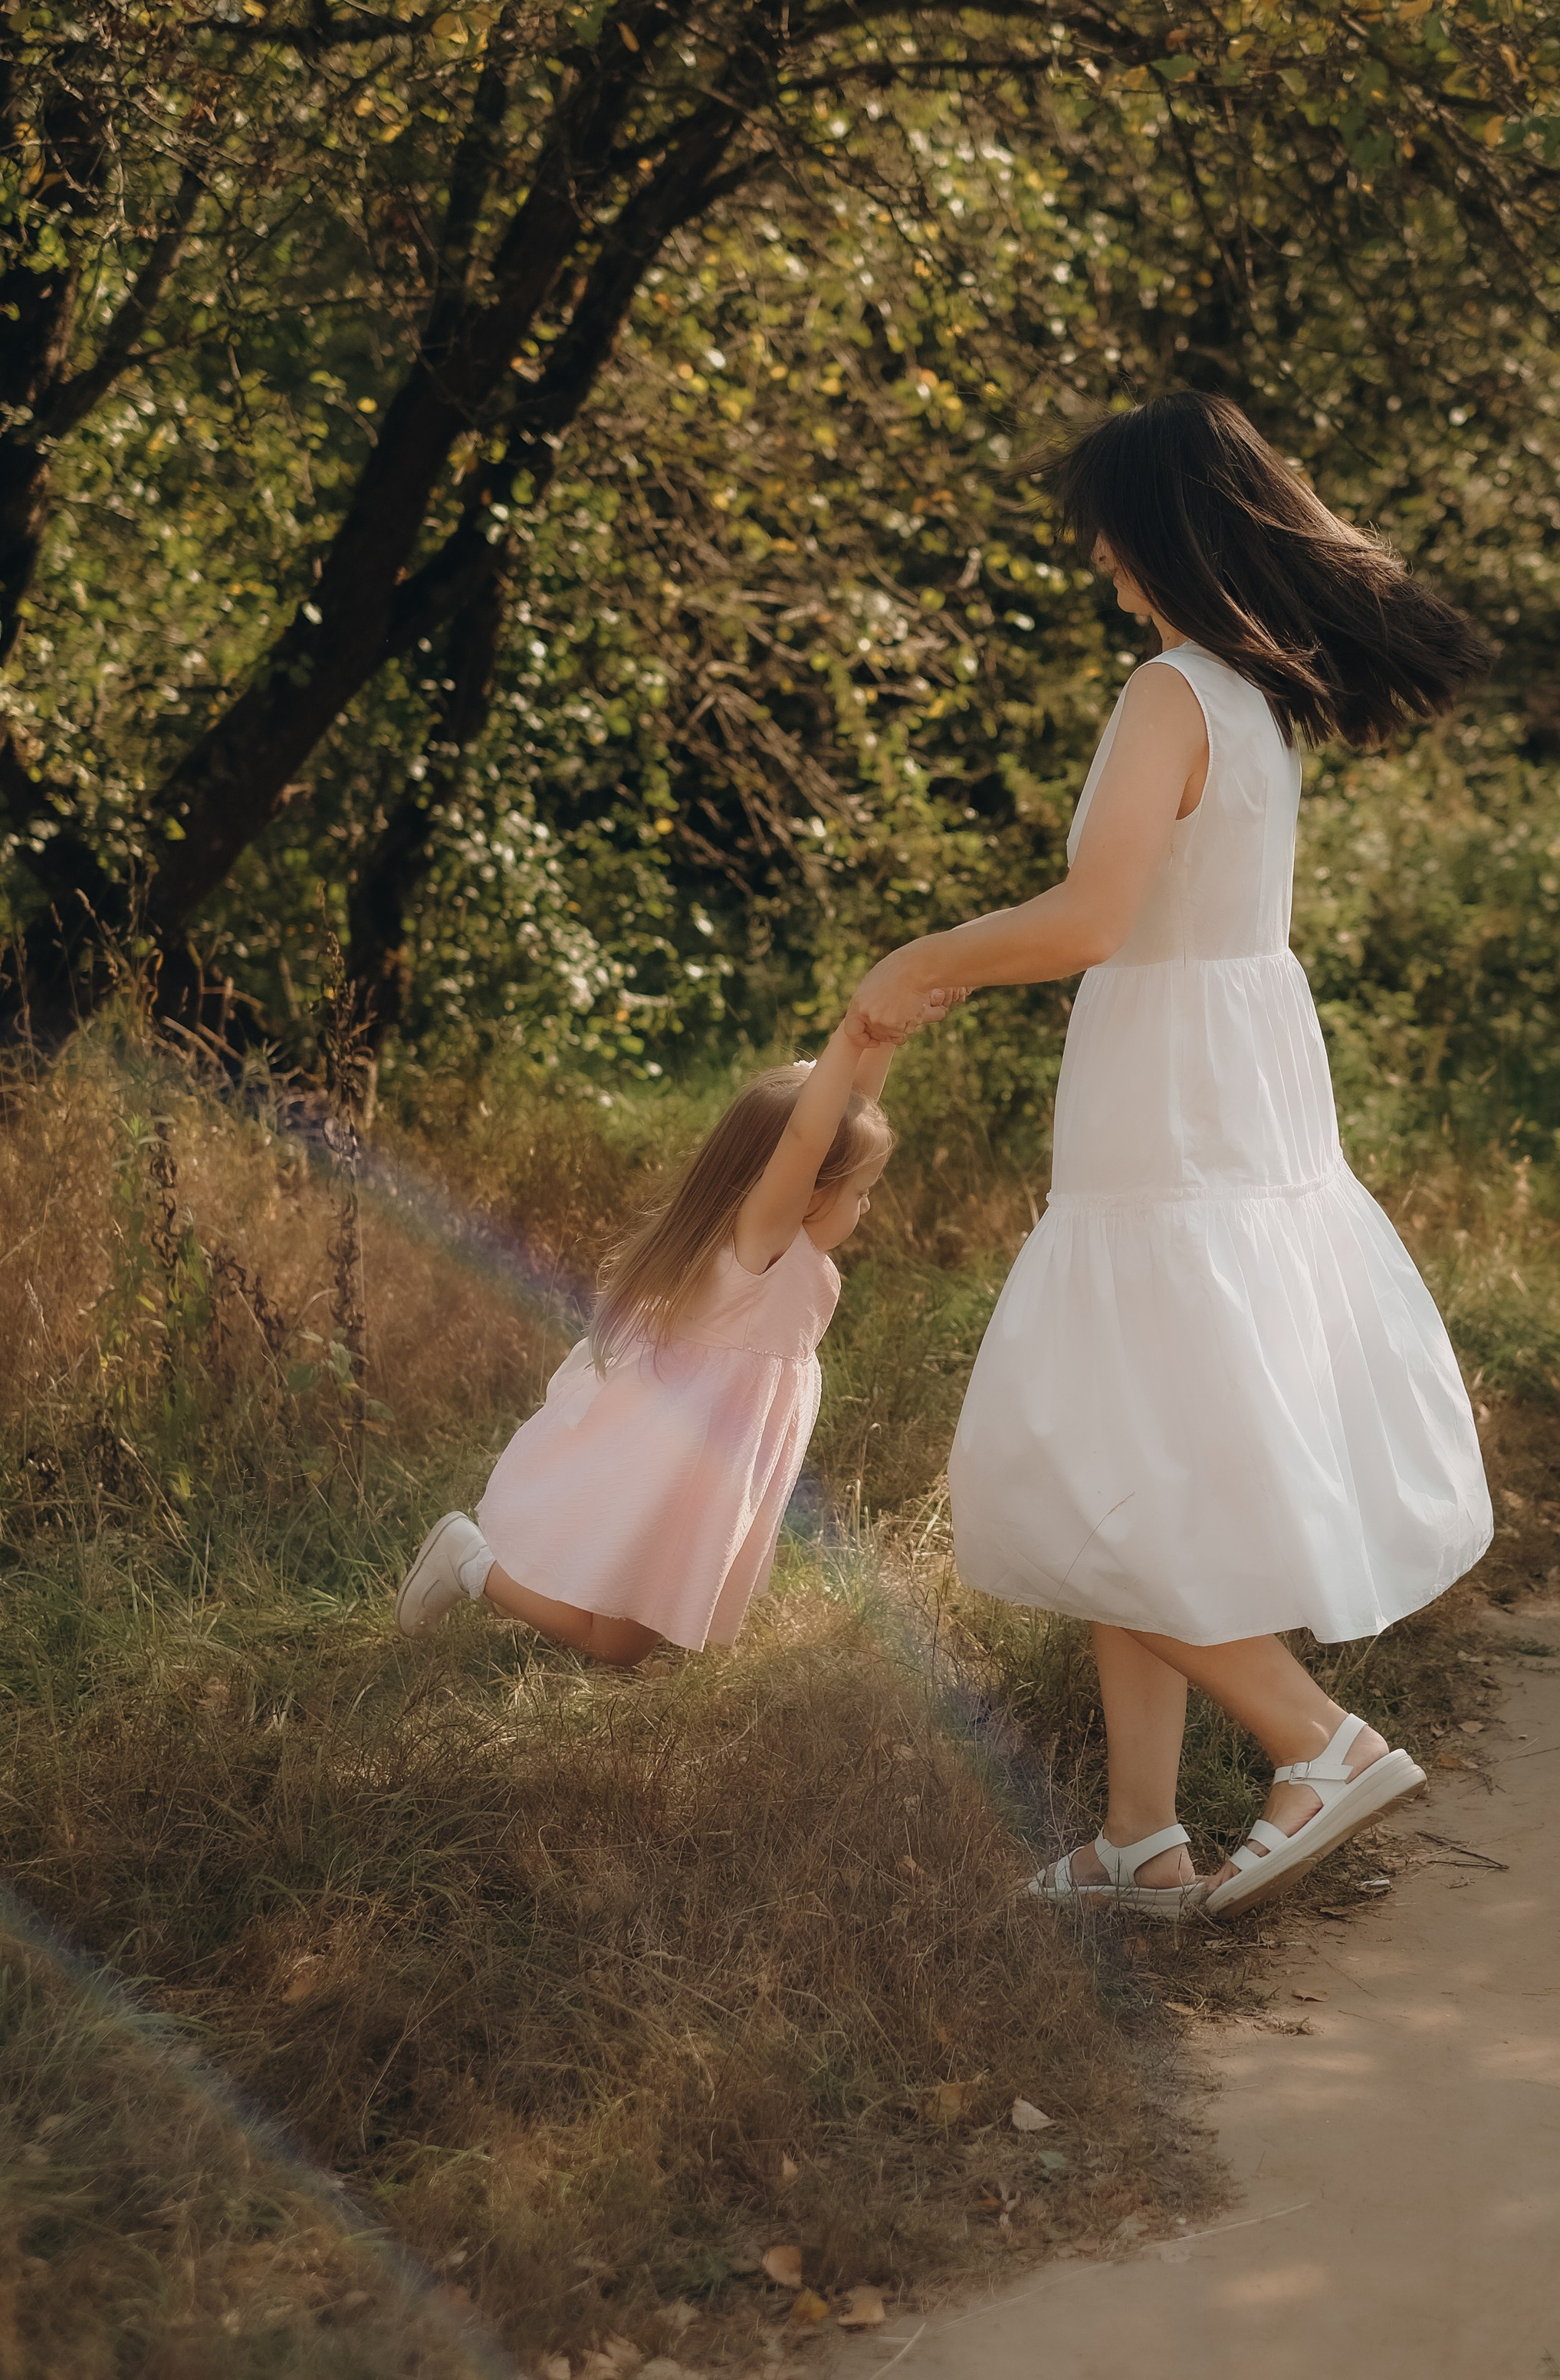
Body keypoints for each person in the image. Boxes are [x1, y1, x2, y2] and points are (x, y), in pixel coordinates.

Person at [849, 391, 1496, 1919]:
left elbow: (1092, 917)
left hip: (1172, 1100)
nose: (1092, 555)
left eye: (1102, 527)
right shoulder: (1249, 695)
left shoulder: (1167, 692)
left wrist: (922, 961)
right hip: (1227, 1080)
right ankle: (1140, 1839)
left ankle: (1314, 1739)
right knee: (1138, 1447)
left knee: (1086, 1460)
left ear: (1155, 528)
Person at [393, 998, 947, 1664]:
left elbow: (841, 1124)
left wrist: (884, 1033)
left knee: (629, 1635)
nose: (868, 1203)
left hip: (705, 1453)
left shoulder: (779, 1235)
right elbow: (811, 1139)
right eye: (860, 1190)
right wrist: (850, 1036)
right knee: (619, 1646)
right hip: (678, 1453)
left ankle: (507, 1576)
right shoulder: (764, 1240)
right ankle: (469, 1562)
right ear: (807, 1189)